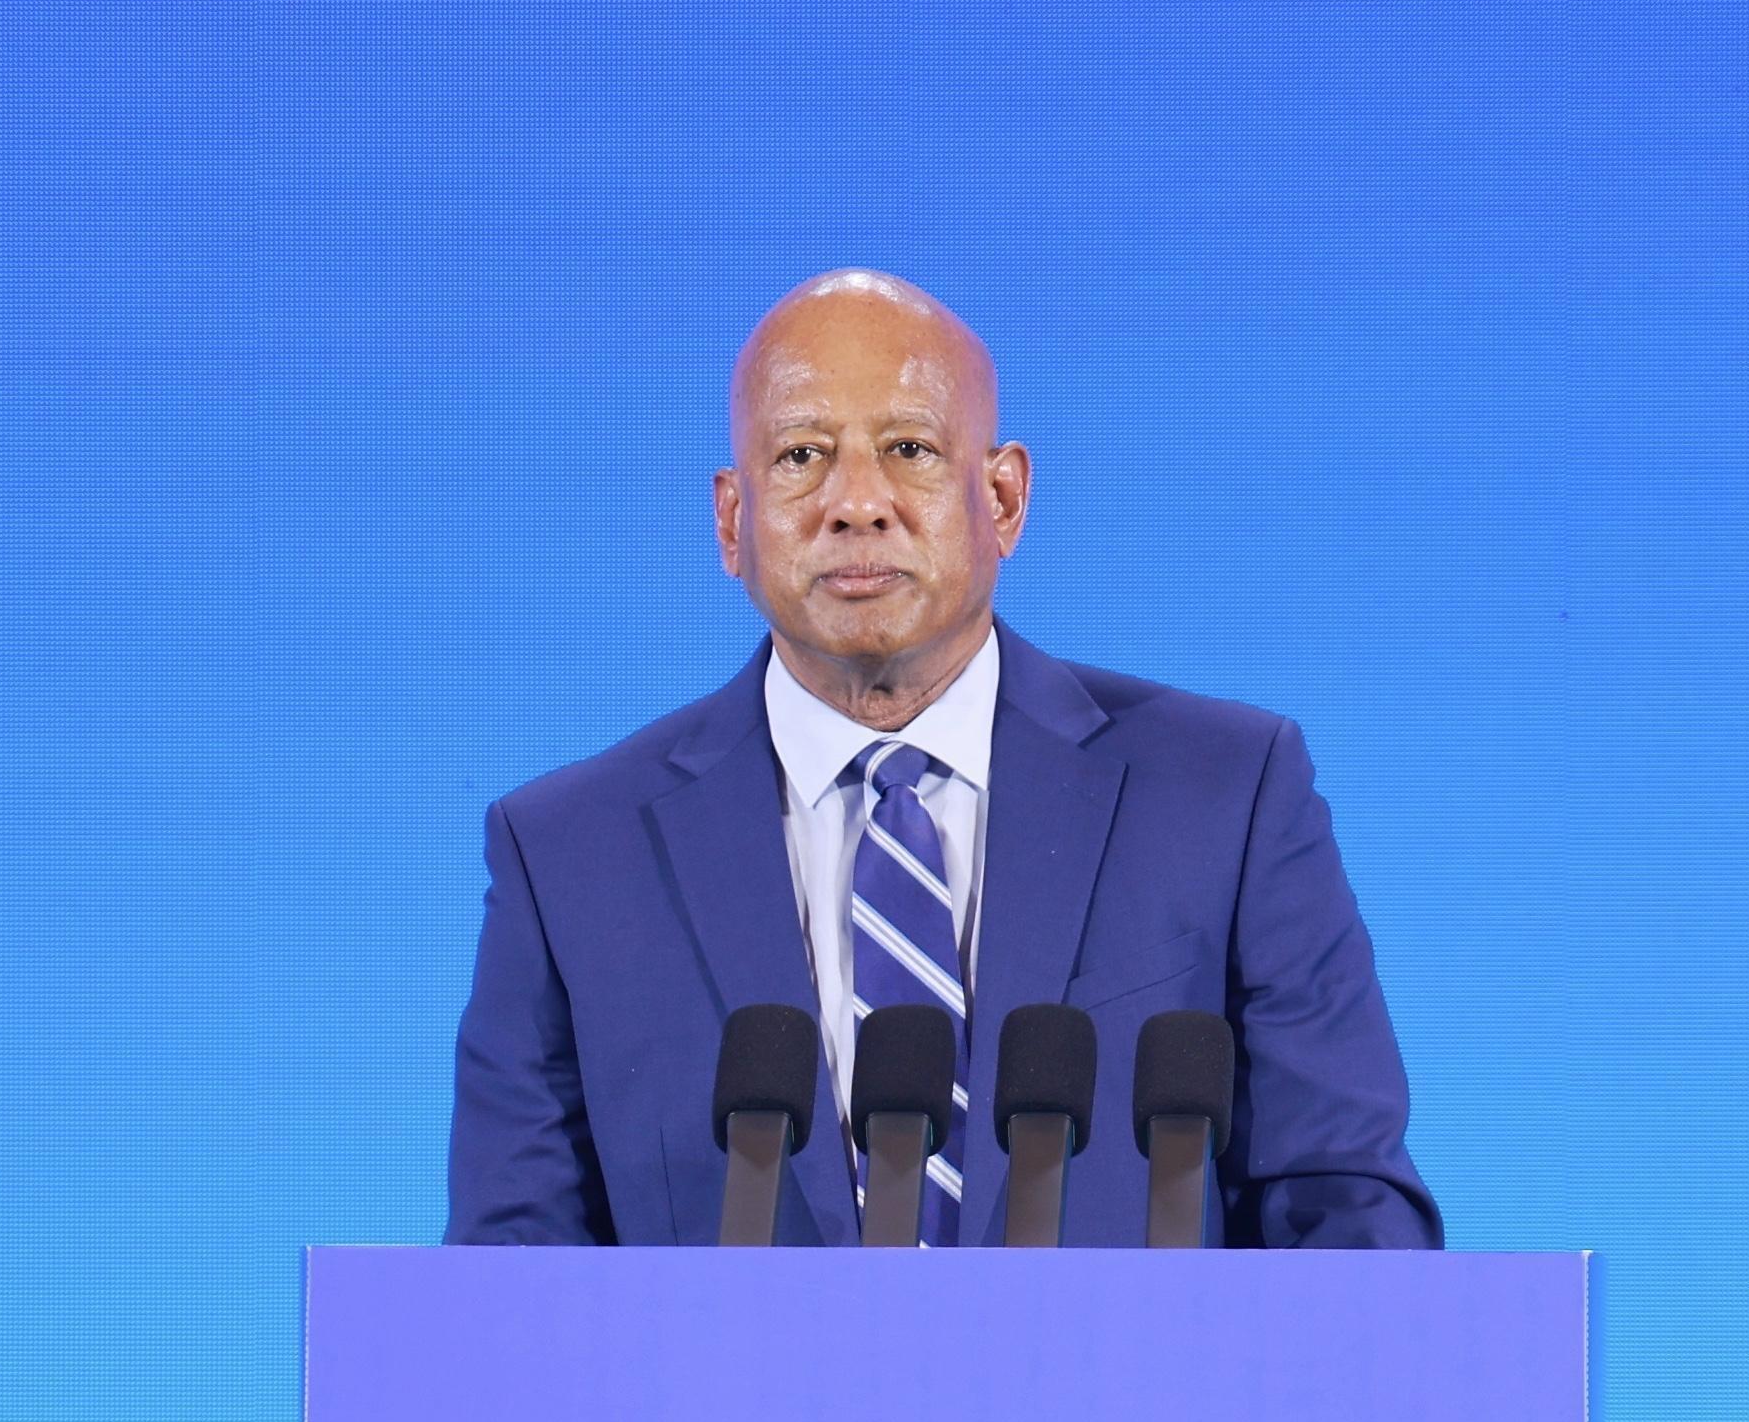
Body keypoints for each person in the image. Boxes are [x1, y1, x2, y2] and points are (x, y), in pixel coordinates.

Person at [445, 270, 1441, 1248]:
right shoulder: (569, 855)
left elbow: (1348, 1214)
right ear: (732, 520)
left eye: (909, 449)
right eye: (800, 456)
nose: (856, 503)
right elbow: (507, 1282)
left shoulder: (1224, 795)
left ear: (1002, 498)